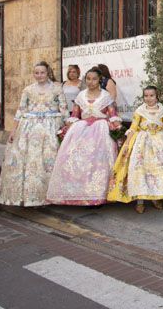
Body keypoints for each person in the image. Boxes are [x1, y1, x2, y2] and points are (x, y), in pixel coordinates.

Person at [108, 85, 163, 212]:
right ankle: (140, 201)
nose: (149, 98)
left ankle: (157, 197)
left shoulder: (162, 110)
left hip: (160, 143)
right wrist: (127, 144)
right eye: (146, 96)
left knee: (159, 170)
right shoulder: (140, 111)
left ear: (156, 96)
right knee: (141, 171)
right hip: (142, 144)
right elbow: (133, 128)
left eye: (151, 95)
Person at [0, 62, 67, 207]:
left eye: (42, 72)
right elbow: (20, 110)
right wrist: (14, 130)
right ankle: (31, 195)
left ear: (48, 73)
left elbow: (64, 109)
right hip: (29, 129)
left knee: (48, 159)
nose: (39, 75)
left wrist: (65, 129)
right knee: (29, 160)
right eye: (36, 73)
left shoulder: (57, 88)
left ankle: (50, 194)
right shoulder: (28, 90)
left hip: (51, 128)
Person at [46, 68, 121, 206]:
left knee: (98, 161)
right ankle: (77, 193)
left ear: (100, 80)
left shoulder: (106, 97)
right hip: (81, 129)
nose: (91, 82)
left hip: (101, 130)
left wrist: (118, 128)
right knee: (73, 157)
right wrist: (66, 128)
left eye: (94, 79)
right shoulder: (80, 96)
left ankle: (98, 195)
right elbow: (75, 115)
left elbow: (113, 115)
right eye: (88, 79)